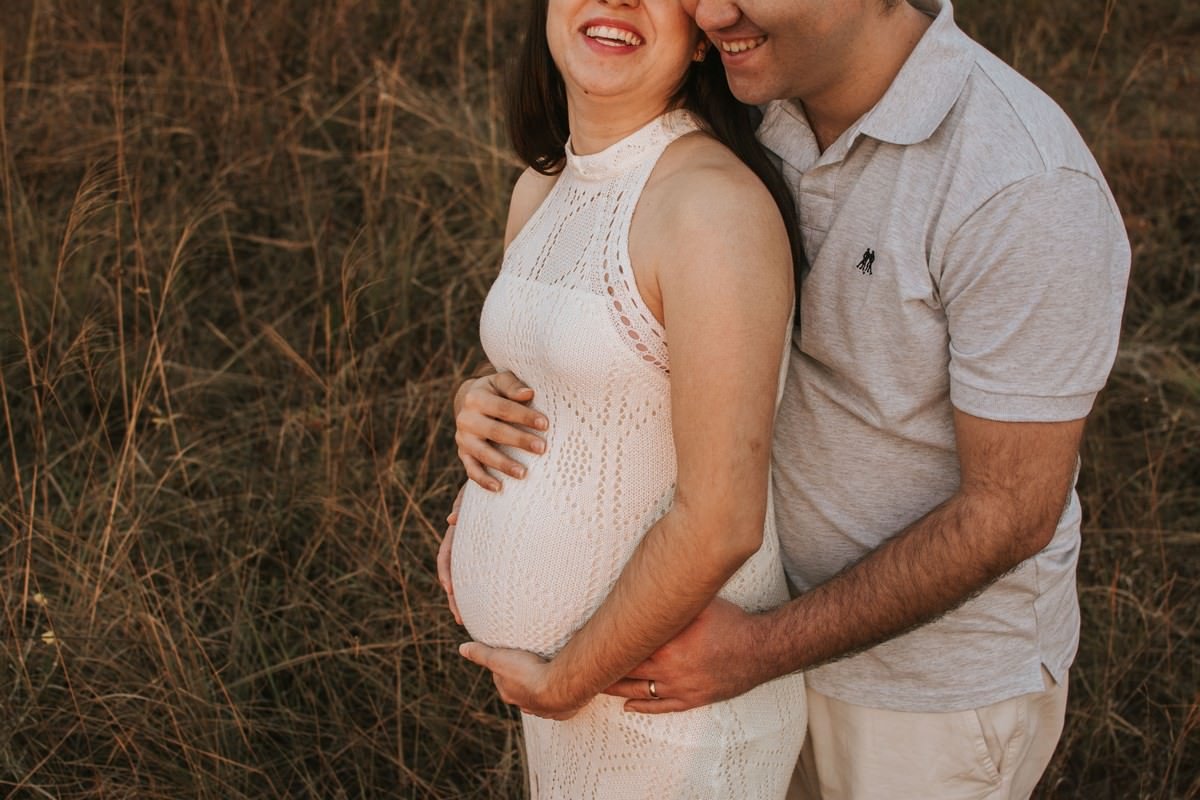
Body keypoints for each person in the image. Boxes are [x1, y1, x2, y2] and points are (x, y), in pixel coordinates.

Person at [443, 0, 1132, 797]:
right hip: (724, 637)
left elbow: (1009, 513)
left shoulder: (1022, 184)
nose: (710, 11)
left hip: (918, 698)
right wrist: (495, 406)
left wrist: (760, 649)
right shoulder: (756, 95)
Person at [445, 0, 811, 796]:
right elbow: (556, 395)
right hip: (565, 706)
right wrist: (473, 412)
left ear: (704, 38)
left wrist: (566, 682)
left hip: (671, 721)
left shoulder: (710, 207)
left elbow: (721, 521)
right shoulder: (540, 190)